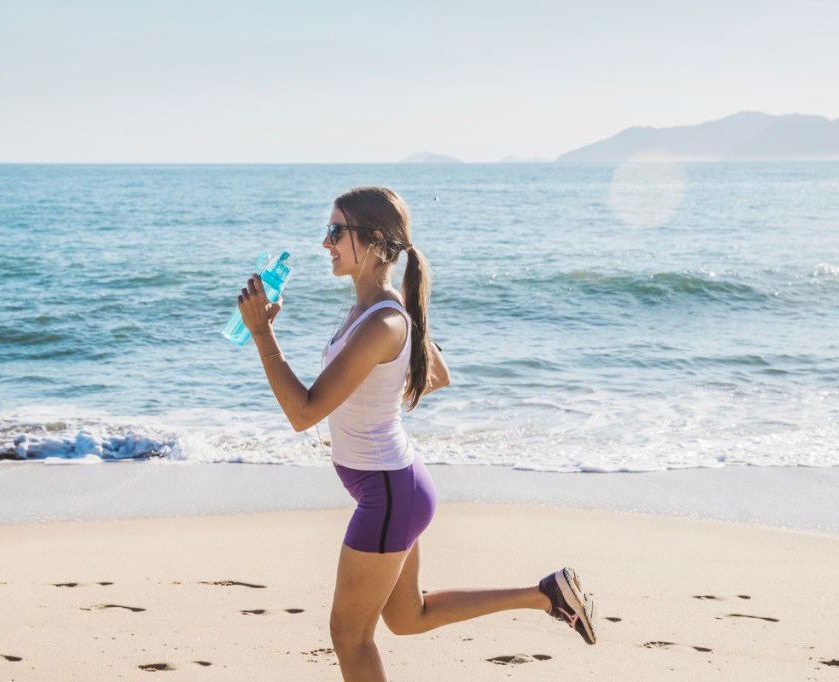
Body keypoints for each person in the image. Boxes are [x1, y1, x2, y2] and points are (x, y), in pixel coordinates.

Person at [235, 186, 596, 681]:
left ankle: (546, 595)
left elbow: (304, 413)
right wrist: (387, 375)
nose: (326, 242)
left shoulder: (383, 320)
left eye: (336, 231)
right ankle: (546, 595)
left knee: (350, 636)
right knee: (408, 617)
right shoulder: (380, 310)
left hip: (387, 493)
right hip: (396, 484)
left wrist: (262, 335)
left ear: (374, 240)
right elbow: (436, 374)